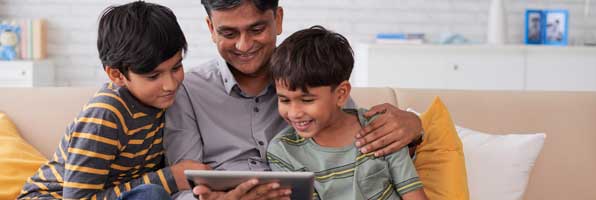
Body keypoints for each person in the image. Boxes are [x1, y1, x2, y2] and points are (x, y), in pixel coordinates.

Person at [163, 0, 424, 199]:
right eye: (229, 33)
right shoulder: (187, 90)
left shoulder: (310, 72)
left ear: (278, 19)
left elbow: (352, 134)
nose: (243, 45)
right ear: (211, 29)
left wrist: (416, 127)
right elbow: (184, 182)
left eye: (256, 28)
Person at [18, 1, 207, 199]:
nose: (170, 84)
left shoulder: (165, 102)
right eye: (153, 76)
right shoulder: (106, 114)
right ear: (117, 75)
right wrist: (170, 179)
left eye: (176, 68)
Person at [266, 25, 428, 200]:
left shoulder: (380, 130)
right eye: (284, 100)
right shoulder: (283, 151)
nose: (294, 113)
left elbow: (413, 195)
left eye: (307, 100)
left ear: (341, 94)